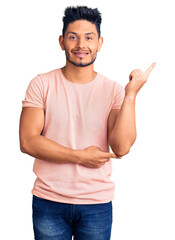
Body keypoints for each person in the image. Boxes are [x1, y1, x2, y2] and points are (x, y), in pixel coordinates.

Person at [19, 5, 156, 240]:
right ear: (62, 42)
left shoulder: (113, 90)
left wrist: (131, 95)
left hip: (96, 204)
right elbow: (28, 141)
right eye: (73, 37)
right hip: (48, 200)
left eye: (89, 38)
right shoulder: (41, 84)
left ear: (100, 43)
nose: (81, 45)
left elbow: (121, 147)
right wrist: (81, 156)